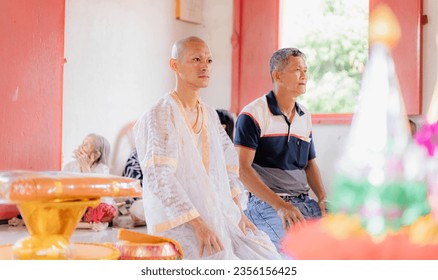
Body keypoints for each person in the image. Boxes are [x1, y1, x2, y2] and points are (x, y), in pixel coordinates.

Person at [133, 36, 280, 259]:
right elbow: (159, 177)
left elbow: (229, 168)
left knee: (264, 253)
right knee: (218, 259)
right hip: (178, 221)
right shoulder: (161, 112)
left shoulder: (210, 114)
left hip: (216, 214)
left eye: (209, 60)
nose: (205, 66)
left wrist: (238, 213)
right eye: (196, 59)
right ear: (175, 65)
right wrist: (197, 223)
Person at [234, 48, 327, 250]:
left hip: (303, 202)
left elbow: (310, 165)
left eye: (305, 70)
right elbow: (241, 169)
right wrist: (281, 206)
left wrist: (322, 198)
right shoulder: (252, 114)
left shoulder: (305, 116)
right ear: (278, 75)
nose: (304, 75)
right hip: (267, 204)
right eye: (297, 70)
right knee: (296, 252)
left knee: (343, 245)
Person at [63, 133, 117, 227]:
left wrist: (85, 168)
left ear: (95, 155)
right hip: (74, 205)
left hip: (92, 206)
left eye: (87, 145)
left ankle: (85, 220)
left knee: (106, 210)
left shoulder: (102, 169)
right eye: (83, 143)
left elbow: (96, 195)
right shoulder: (69, 166)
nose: (81, 146)